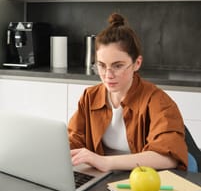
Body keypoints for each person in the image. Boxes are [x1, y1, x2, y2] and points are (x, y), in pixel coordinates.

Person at [68, 13, 188, 172]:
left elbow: (169, 158)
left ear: (136, 63)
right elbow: (72, 142)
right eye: (102, 65)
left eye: (117, 66)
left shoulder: (158, 101)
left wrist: (106, 162)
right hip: (101, 180)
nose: (108, 75)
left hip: (141, 184)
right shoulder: (90, 97)